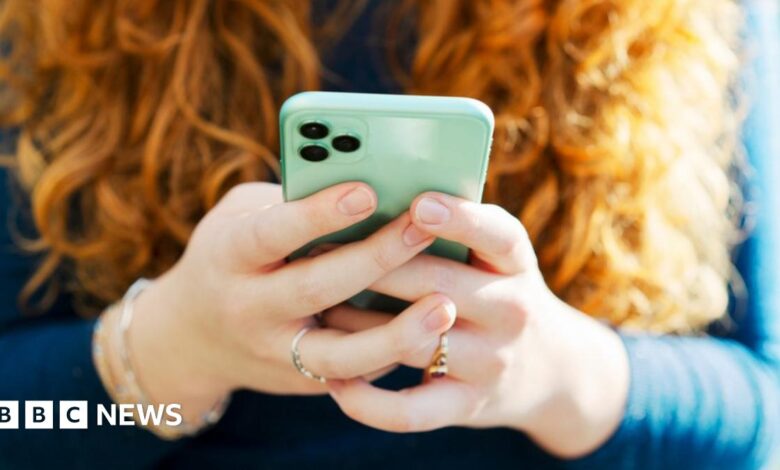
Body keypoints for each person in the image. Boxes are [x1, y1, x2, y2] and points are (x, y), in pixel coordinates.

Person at [0, 0, 777, 468]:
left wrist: (558, 377)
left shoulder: (680, 18)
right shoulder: (43, 22)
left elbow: (757, 419)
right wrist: (165, 355)